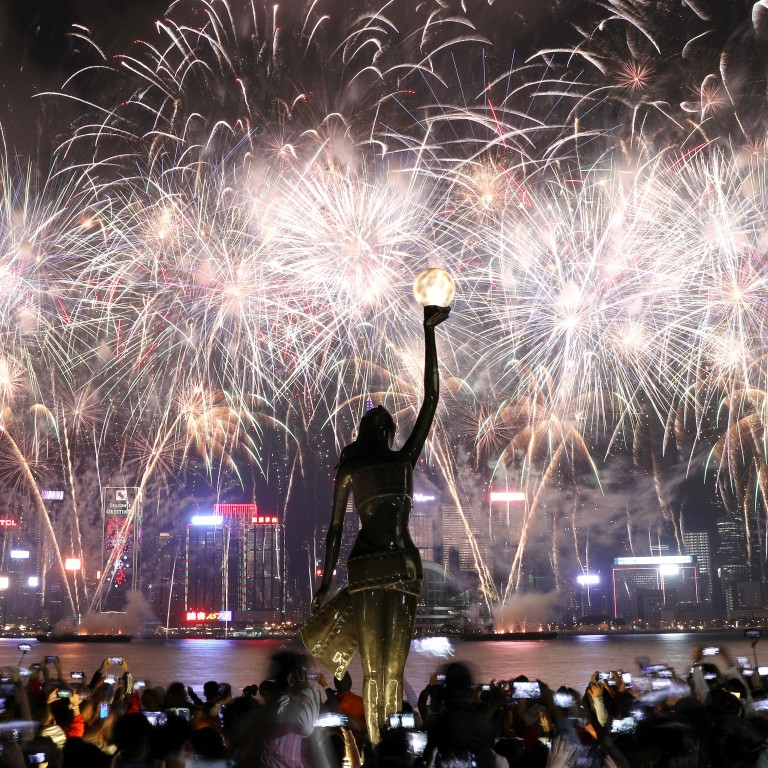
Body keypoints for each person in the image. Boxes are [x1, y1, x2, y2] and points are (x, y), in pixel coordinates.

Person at [310, 303, 450, 742]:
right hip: (403, 564)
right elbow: (431, 399)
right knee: (393, 667)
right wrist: (429, 332)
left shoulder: (351, 467)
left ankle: (375, 748)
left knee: (374, 669)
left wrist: (325, 583)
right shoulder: (403, 460)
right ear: (389, 433)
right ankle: (390, 744)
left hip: (369, 566)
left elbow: (335, 530)